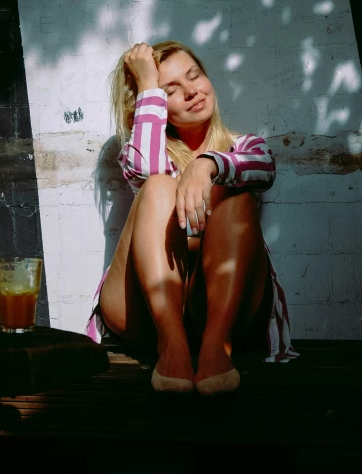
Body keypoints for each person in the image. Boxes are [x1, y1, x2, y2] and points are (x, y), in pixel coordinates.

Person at [86, 40, 297, 394]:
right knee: (157, 186)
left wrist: (208, 164)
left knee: (234, 193)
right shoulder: (143, 149)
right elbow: (148, 169)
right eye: (170, 90)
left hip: (223, 312)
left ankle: (217, 346)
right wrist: (148, 85)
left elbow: (264, 169)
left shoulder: (245, 147)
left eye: (194, 76)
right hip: (144, 317)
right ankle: (172, 345)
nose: (191, 92)